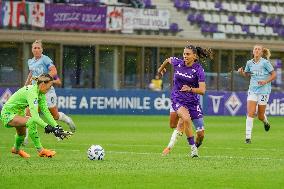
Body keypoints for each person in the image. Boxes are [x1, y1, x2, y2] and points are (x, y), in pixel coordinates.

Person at [157, 45, 211, 158]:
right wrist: (161, 69)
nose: (185, 56)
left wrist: (190, 89)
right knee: (179, 122)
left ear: (194, 56)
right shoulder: (178, 63)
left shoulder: (198, 70)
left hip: (192, 103)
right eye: (184, 54)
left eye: (188, 54)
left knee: (200, 134)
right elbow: (168, 60)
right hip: (178, 98)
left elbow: (202, 90)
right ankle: (193, 150)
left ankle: (194, 145)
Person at [0, 74, 72, 158]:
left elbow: (46, 111)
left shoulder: (41, 94)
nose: (49, 89)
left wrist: (56, 126)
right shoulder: (32, 93)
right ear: (42, 84)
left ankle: (16, 149)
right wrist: (48, 127)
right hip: (7, 114)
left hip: (19, 113)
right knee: (31, 121)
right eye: (49, 87)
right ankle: (40, 150)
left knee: (21, 135)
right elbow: (35, 117)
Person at [24, 40, 76, 145]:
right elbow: (31, 73)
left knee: (55, 116)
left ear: (42, 49)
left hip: (48, 92)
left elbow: (54, 72)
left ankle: (67, 119)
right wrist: (25, 85)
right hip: (36, 91)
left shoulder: (46, 59)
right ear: (32, 49)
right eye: (35, 48)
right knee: (29, 113)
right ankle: (25, 138)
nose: (37, 49)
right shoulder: (30, 61)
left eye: (39, 48)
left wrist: (44, 79)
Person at [238, 44, 276, 144]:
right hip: (252, 90)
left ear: (262, 52)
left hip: (264, 91)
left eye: (259, 49)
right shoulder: (249, 63)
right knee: (250, 113)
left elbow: (274, 75)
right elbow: (247, 74)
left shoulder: (265, 63)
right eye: (255, 49)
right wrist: (242, 73)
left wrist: (265, 81)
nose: (257, 50)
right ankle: (248, 138)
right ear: (253, 51)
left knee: (260, 116)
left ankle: (266, 122)